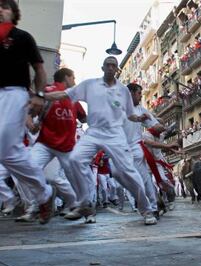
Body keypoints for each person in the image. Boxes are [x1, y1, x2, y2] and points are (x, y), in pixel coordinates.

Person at [44, 56, 157, 225]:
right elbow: (64, 94)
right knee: (75, 159)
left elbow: (129, 114)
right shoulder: (90, 85)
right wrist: (42, 95)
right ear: (102, 67)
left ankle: (147, 210)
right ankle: (83, 203)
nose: (111, 68)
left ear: (117, 70)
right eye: (108, 65)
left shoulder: (123, 90)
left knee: (129, 173)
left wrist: (139, 118)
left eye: (114, 66)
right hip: (94, 132)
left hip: (115, 134)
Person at [0, 0, 55, 224]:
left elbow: (39, 69)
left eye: (4, 6)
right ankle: (39, 195)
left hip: (15, 93)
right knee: (8, 152)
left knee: (5, 143)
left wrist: (39, 96)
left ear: (14, 12)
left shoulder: (23, 37)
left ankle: (24, 196)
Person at [20, 68, 85, 221]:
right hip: (46, 144)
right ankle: (40, 204)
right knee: (31, 170)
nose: (74, 81)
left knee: (58, 177)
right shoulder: (47, 91)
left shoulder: (73, 96)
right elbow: (29, 112)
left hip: (66, 147)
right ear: (66, 78)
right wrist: (31, 125)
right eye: (73, 77)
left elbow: (83, 118)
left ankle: (78, 204)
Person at [119, 83, 159, 218]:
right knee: (126, 179)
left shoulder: (142, 110)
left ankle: (153, 208)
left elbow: (155, 125)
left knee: (145, 179)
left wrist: (162, 126)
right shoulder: (118, 106)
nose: (141, 96)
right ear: (130, 93)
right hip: (119, 150)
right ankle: (145, 205)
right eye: (138, 93)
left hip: (135, 148)